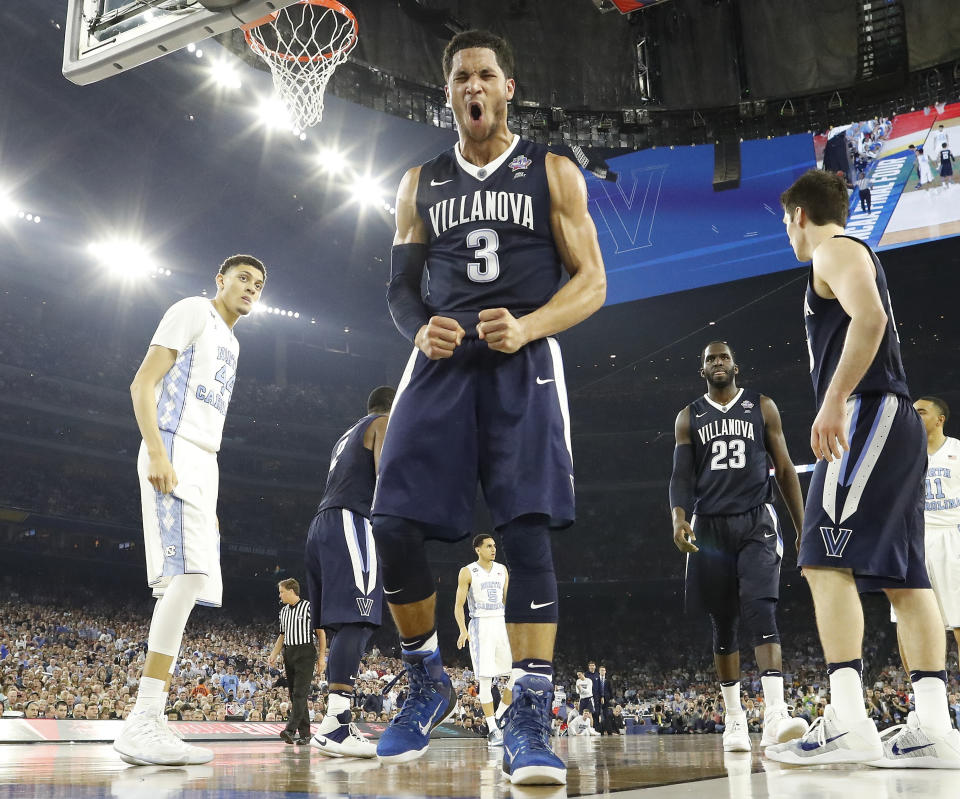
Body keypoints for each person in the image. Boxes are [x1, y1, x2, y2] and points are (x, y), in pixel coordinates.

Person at [371, 28, 606, 785]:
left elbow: (593, 282)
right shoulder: (420, 182)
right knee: (392, 523)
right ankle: (426, 677)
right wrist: (419, 327)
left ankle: (529, 717)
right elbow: (400, 290)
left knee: (525, 526)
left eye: (485, 75)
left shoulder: (553, 171)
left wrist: (530, 324)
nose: (473, 86)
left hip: (523, 362)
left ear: (509, 88)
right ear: (448, 95)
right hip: (440, 365)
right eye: (460, 77)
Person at [768, 169, 960, 767]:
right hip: (891, 418)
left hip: (867, 413)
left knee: (822, 561)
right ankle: (934, 726)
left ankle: (848, 718)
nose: (787, 231)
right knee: (906, 576)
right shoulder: (846, 252)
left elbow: (869, 319)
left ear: (799, 215)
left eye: (785, 220)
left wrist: (832, 401)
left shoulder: (833, 249)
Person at [113, 254, 265, 767]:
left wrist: (211, 496)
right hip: (174, 446)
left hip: (205, 463)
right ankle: (144, 717)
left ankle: (151, 718)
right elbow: (143, 383)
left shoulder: (235, 342)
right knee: (182, 578)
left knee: (195, 581)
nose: (251, 288)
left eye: (258, 284)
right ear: (219, 280)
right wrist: (156, 449)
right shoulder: (193, 311)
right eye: (242, 278)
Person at [671, 340, 809, 753]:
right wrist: (678, 519)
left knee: (762, 607)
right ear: (702, 369)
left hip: (756, 520)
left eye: (724, 357)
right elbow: (680, 477)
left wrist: (803, 528)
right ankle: (734, 720)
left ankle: (775, 714)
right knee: (724, 622)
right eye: (709, 358)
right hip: (709, 526)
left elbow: (784, 468)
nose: (717, 362)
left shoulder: (762, 406)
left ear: (735, 365)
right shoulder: (688, 416)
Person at [305, 386, 394, 758]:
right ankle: (336, 723)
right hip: (351, 521)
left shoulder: (348, 433)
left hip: (324, 523)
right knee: (359, 618)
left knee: (346, 624)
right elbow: (387, 479)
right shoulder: (385, 422)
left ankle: (336, 719)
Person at [892, 398, 960, 673]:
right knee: (905, 619)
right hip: (912, 540)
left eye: (922, 411)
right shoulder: (902, 454)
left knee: (958, 619)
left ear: (939, 419)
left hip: (950, 536)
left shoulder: (957, 450)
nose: (915, 416)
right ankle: (920, 701)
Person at [454, 534, 513, 747]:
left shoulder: (502, 570)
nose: (493, 549)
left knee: (517, 674)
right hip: (481, 626)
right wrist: (462, 629)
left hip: (501, 624)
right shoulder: (468, 571)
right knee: (486, 681)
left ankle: (499, 715)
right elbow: (459, 604)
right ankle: (493, 729)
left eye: (494, 545)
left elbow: (508, 601)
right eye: (489, 546)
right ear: (478, 549)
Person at [268, 579, 315, 745]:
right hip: (289, 652)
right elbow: (282, 634)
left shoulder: (309, 606)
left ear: (291, 590)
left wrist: (322, 656)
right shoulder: (283, 612)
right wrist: (274, 653)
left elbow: (321, 631)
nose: (280, 595)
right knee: (294, 695)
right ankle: (305, 734)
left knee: (300, 693)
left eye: (281, 591)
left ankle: (290, 729)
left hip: (306, 651)